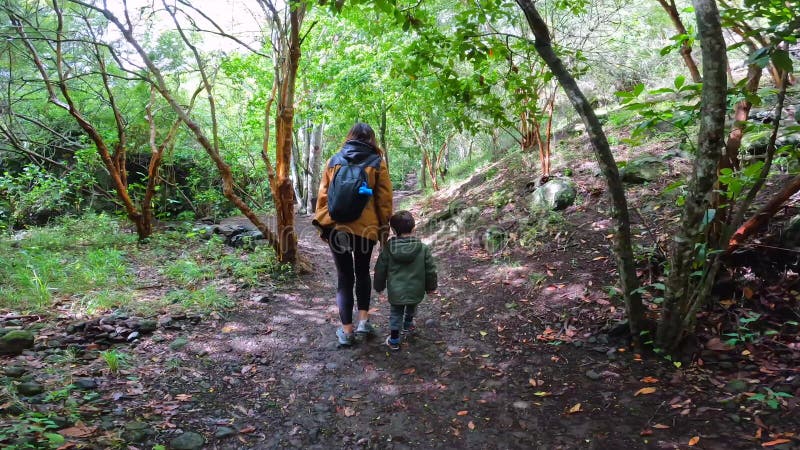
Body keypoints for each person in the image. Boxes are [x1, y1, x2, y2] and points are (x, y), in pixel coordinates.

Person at [313, 123, 393, 346]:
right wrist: (384, 228)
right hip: (365, 229)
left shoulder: (333, 160)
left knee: (344, 277)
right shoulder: (377, 163)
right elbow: (383, 201)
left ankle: (346, 332)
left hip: (337, 228)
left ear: (350, 137)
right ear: (371, 140)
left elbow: (323, 196)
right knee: (362, 272)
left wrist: (323, 225)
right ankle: (363, 322)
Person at [373, 210, 437, 351]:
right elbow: (430, 270)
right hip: (416, 289)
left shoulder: (388, 249)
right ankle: (408, 325)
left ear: (394, 230)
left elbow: (380, 269)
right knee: (412, 306)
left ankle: (394, 340)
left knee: (396, 313)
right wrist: (431, 287)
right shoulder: (423, 248)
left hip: (396, 291)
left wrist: (378, 286)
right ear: (414, 228)